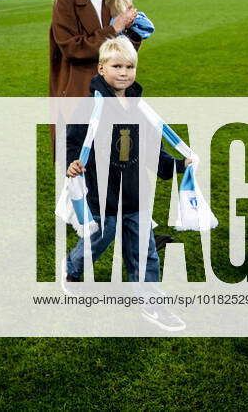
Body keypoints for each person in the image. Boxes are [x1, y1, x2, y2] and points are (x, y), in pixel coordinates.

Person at [62, 37, 189, 328]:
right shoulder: (88, 107)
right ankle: (72, 267)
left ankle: (150, 301)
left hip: (135, 194)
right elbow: (73, 141)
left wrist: (177, 165)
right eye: (116, 66)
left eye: (129, 66)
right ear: (101, 68)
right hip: (103, 195)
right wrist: (72, 161)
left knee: (144, 250)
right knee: (99, 240)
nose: (124, 72)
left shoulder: (140, 108)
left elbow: (151, 148)